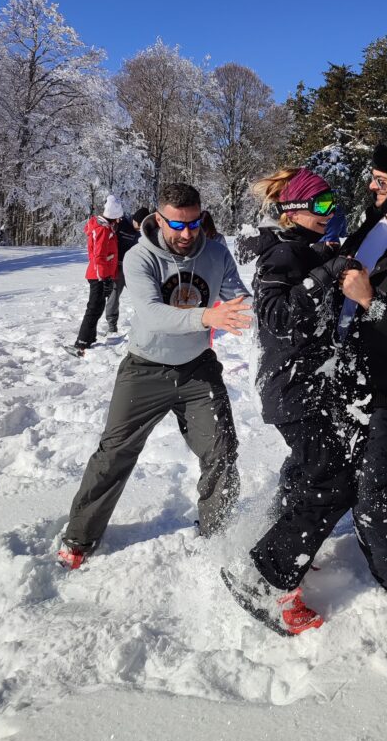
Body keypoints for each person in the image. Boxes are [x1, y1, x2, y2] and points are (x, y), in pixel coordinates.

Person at [222, 137, 387, 632]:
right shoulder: (373, 221)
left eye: (383, 181)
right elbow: (291, 294)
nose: (371, 187)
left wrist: (368, 299)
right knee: (326, 474)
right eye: (373, 178)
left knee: (363, 486)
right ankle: (277, 559)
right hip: (337, 373)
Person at [57, 182, 253, 569]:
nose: (187, 234)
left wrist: (255, 306)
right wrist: (206, 316)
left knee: (222, 451)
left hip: (198, 367)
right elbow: (151, 313)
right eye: (177, 225)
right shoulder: (139, 257)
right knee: (113, 454)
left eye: (194, 224)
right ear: (159, 219)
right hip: (145, 368)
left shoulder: (215, 252)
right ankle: (80, 536)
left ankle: (217, 533)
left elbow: (239, 297)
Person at [222, 167, 341, 635]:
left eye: (333, 206)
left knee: (311, 470)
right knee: (330, 481)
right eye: (323, 207)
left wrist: (323, 258)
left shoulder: (300, 249)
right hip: (292, 388)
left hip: (305, 384)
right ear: (294, 210)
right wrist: (324, 273)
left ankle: (283, 541)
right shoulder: (281, 253)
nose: (329, 215)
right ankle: (267, 578)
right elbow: (274, 315)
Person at [65, 195, 124, 358]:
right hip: (98, 275)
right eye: (118, 217)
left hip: (102, 275)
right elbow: (98, 256)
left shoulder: (107, 228)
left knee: (97, 307)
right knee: (93, 308)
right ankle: (81, 343)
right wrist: (103, 278)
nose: (120, 221)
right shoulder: (102, 230)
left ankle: (89, 338)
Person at [104, 206, 149, 334]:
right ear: (133, 219)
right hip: (117, 267)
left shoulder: (144, 230)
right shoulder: (121, 223)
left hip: (134, 268)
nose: (139, 227)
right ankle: (112, 325)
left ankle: (142, 321)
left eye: (142, 225)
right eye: (138, 224)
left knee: (141, 295)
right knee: (113, 296)